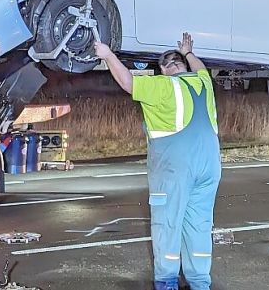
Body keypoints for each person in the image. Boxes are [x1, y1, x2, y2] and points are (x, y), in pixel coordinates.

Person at [94, 33, 221, 290]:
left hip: (176, 170)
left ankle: (166, 283)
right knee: (199, 227)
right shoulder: (203, 83)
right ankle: (199, 284)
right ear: (183, 66)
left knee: (167, 225)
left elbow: (129, 83)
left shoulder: (165, 86)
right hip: (209, 167)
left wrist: (107, 55)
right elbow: (201, 68)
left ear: (163, 70)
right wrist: (188, 52)